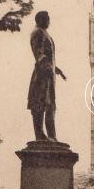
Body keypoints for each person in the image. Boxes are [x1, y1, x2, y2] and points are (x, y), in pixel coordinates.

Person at [27, 11, 66, 141]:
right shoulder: (37, 33)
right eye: (47, 19)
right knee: (39, 105)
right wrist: (49, 68)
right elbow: (39, 54)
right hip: (41, 76)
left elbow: (48, 57)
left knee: (50, 105)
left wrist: (56, 69)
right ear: (41, 20)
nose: (49, 21)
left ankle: (52, 136)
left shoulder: (45, 33)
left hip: (49, 76)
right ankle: (40, 135)